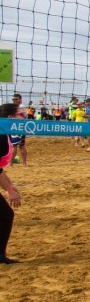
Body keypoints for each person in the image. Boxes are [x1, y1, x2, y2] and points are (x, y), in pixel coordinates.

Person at [0, 103, 23, 264]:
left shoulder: (4, 133)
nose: (22, 117)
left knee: (5, 215)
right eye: (19, 114)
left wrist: (10, 185)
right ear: (10, 118)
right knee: (6, 215)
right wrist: (9, 190)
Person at [9, 94, 28, 167]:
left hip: (19, 128)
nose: (14, 101)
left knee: (18, 146)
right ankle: (23, 163)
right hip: (14, 128)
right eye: (13, 100)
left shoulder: (21, 107)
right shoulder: (14, 107)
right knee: (19, 146)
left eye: (16, 99)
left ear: (20, 99)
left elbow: (18, 117)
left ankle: (12, 163)